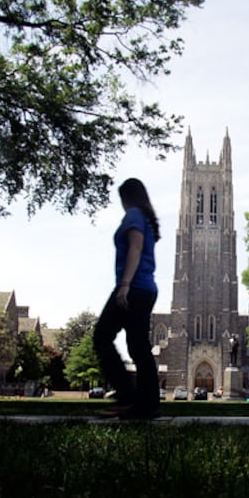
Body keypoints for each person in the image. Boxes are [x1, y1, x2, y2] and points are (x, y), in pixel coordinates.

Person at [93, 178, 161, 420]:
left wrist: (124, 285)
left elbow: (135, 247)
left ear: (128, 198)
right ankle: (148, 404)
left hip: (133, 287)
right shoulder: (147, 220)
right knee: (139, 348)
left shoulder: (133, 215)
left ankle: (127, 395)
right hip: (147, 288)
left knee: (102, 337)